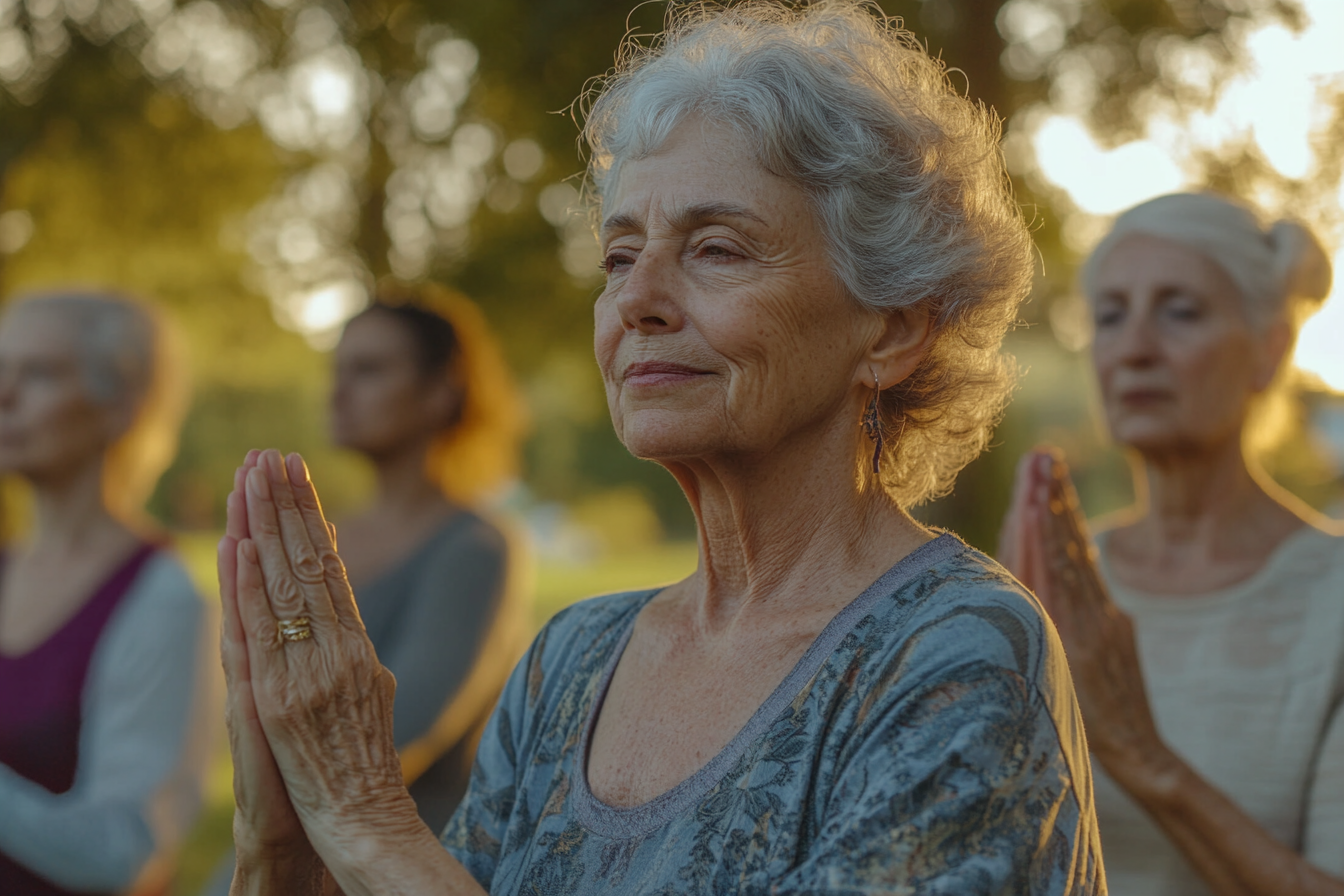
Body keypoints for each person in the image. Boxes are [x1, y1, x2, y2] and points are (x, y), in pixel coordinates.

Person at [217, 3, 1106, 893]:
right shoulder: (569, 661)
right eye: (618, 256)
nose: (638, 299)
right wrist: (284, 853)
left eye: (716, 249)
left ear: (891, 332)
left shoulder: (955, 651)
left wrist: (368, 816)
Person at [999, 192, 1343, 895]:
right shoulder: (1047, 585)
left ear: (1269, 350)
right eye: (1110, 316)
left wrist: (1140, 754)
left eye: (1180, 311)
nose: (1134, 348)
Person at [0, 290, 217, 895]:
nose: (4, 397)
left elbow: (124, 855)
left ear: (121, 406)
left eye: (38, 374)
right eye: (0, 371)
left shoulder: (161, 597)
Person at [327, 284, 528, 830]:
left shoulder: (473, 549)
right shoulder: (323, 537)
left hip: (410, 854)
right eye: (337, 369)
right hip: (304, 829)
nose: (338, 392)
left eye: (368, 370)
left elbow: (393, 738)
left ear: (440, 391)